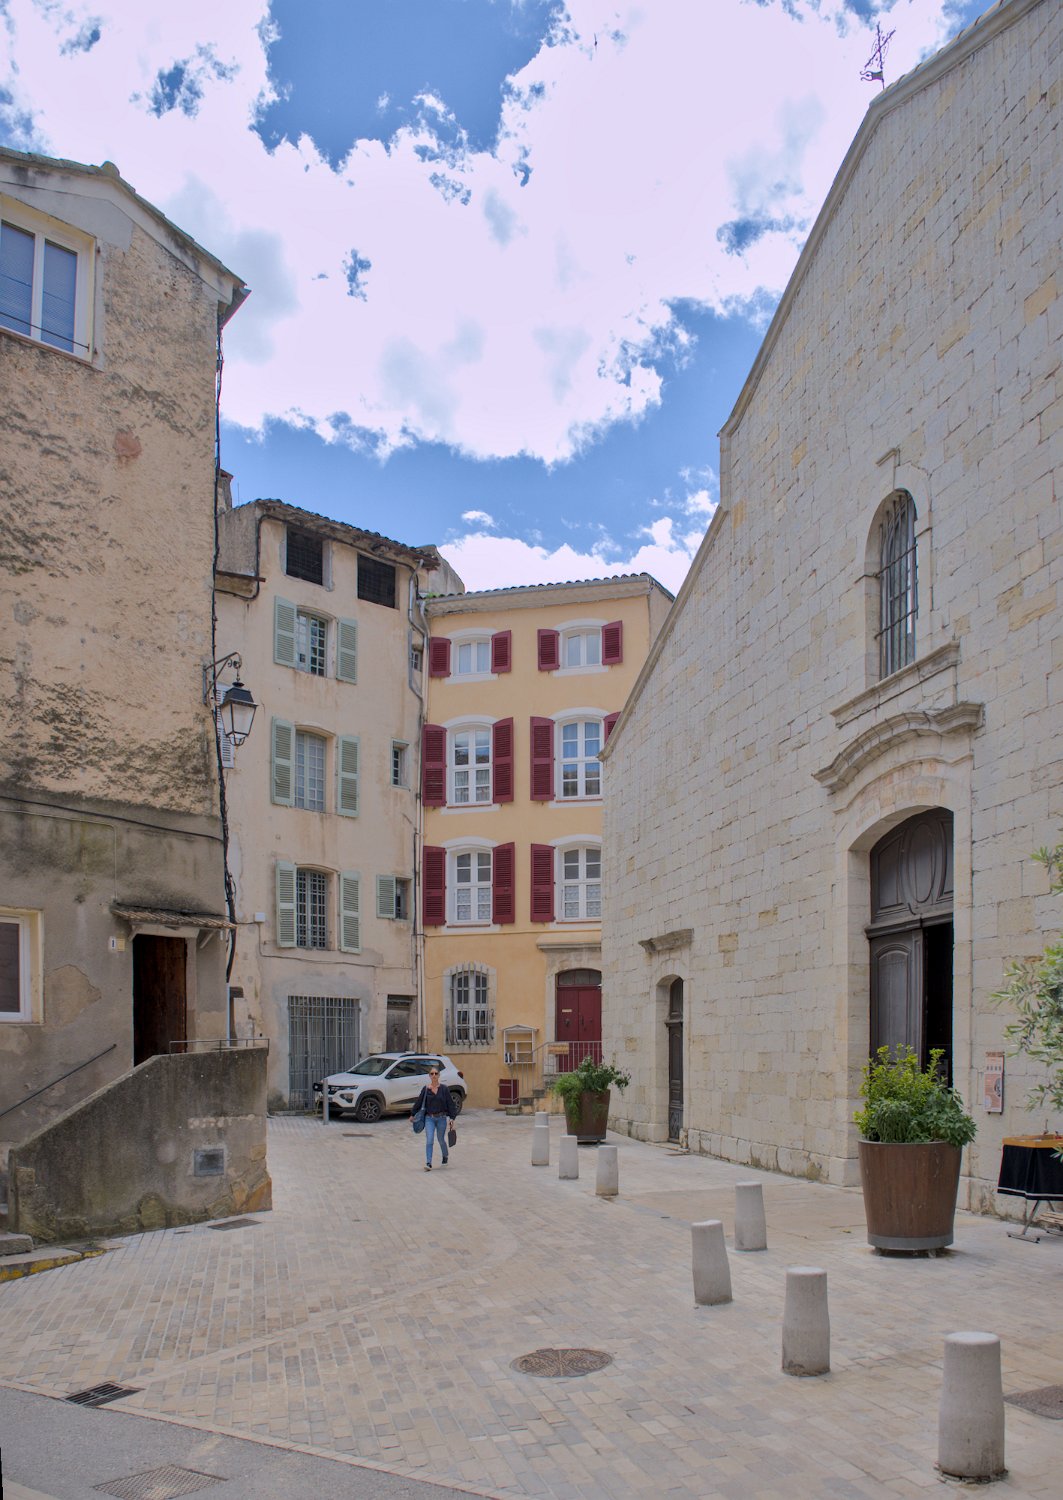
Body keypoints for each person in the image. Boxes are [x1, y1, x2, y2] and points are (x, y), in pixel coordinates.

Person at [413, 1066, 457, 1170]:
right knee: (429, 1140)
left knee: (441, 1139)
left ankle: (445, 1155)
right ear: (429, 1076)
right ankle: (428, 1163)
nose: (434, 1075)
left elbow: (450, 1104)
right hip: (429, 1118)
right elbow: (419, 1102)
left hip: (441, 1118)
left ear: (439, 1075)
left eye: (436, 1073)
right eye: (432, 1074)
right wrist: (412, 1114)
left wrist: (452, 1118)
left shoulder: (444, 1089)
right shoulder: (426, 1089)